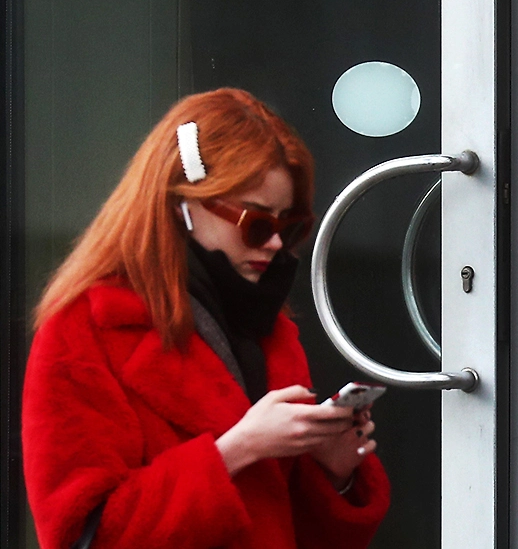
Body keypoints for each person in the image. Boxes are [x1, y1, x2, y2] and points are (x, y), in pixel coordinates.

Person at [22, 89, 390, 549]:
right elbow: (82, 535)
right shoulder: (86, 329)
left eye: (288, 226)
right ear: (185, 204)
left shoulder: (269, 330)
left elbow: (281, 525)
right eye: (257, 223)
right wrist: (236, 449)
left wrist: (332, 472)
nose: (275, 244)